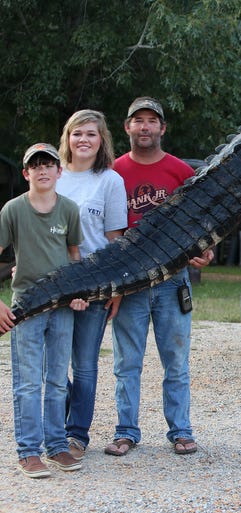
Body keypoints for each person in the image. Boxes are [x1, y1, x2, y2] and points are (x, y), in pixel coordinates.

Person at [105, 97, 213, 457]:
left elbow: (205, 215)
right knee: (126, 364)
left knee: (176, 363)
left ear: (162, 128)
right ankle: (125, 431)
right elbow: (110, 228)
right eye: (139, 121)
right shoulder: (113, 172)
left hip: (172, 281)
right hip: (131, 282)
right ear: (128, 128)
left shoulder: (181, 172)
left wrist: (206, 247)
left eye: (152, 121)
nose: (146, 127)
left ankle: (181, 431)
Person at [0, 143, 89, 478]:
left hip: (62, 306)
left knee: (56, 381)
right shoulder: (12, 210)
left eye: (48, 164)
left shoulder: (68, 209)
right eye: (35, 165)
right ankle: (28, 452)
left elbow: (74, 257)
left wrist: (79, 293)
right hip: (27, 305)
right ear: (26, 173)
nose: (42, 170)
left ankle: (56, 446)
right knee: (27, 382)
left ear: (59, 171)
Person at [56, 110, 128, 460]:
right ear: (67, 138)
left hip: (95, 283)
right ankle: (61, 412)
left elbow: (116, 239)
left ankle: (76, 434)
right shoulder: (52, 175)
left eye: (91, 134)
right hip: (54, 282)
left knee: (84, 363)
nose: (83, 140)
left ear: (102, 141)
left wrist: (116, 287)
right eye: (77, 133)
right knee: (46, 360)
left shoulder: (109, 180)